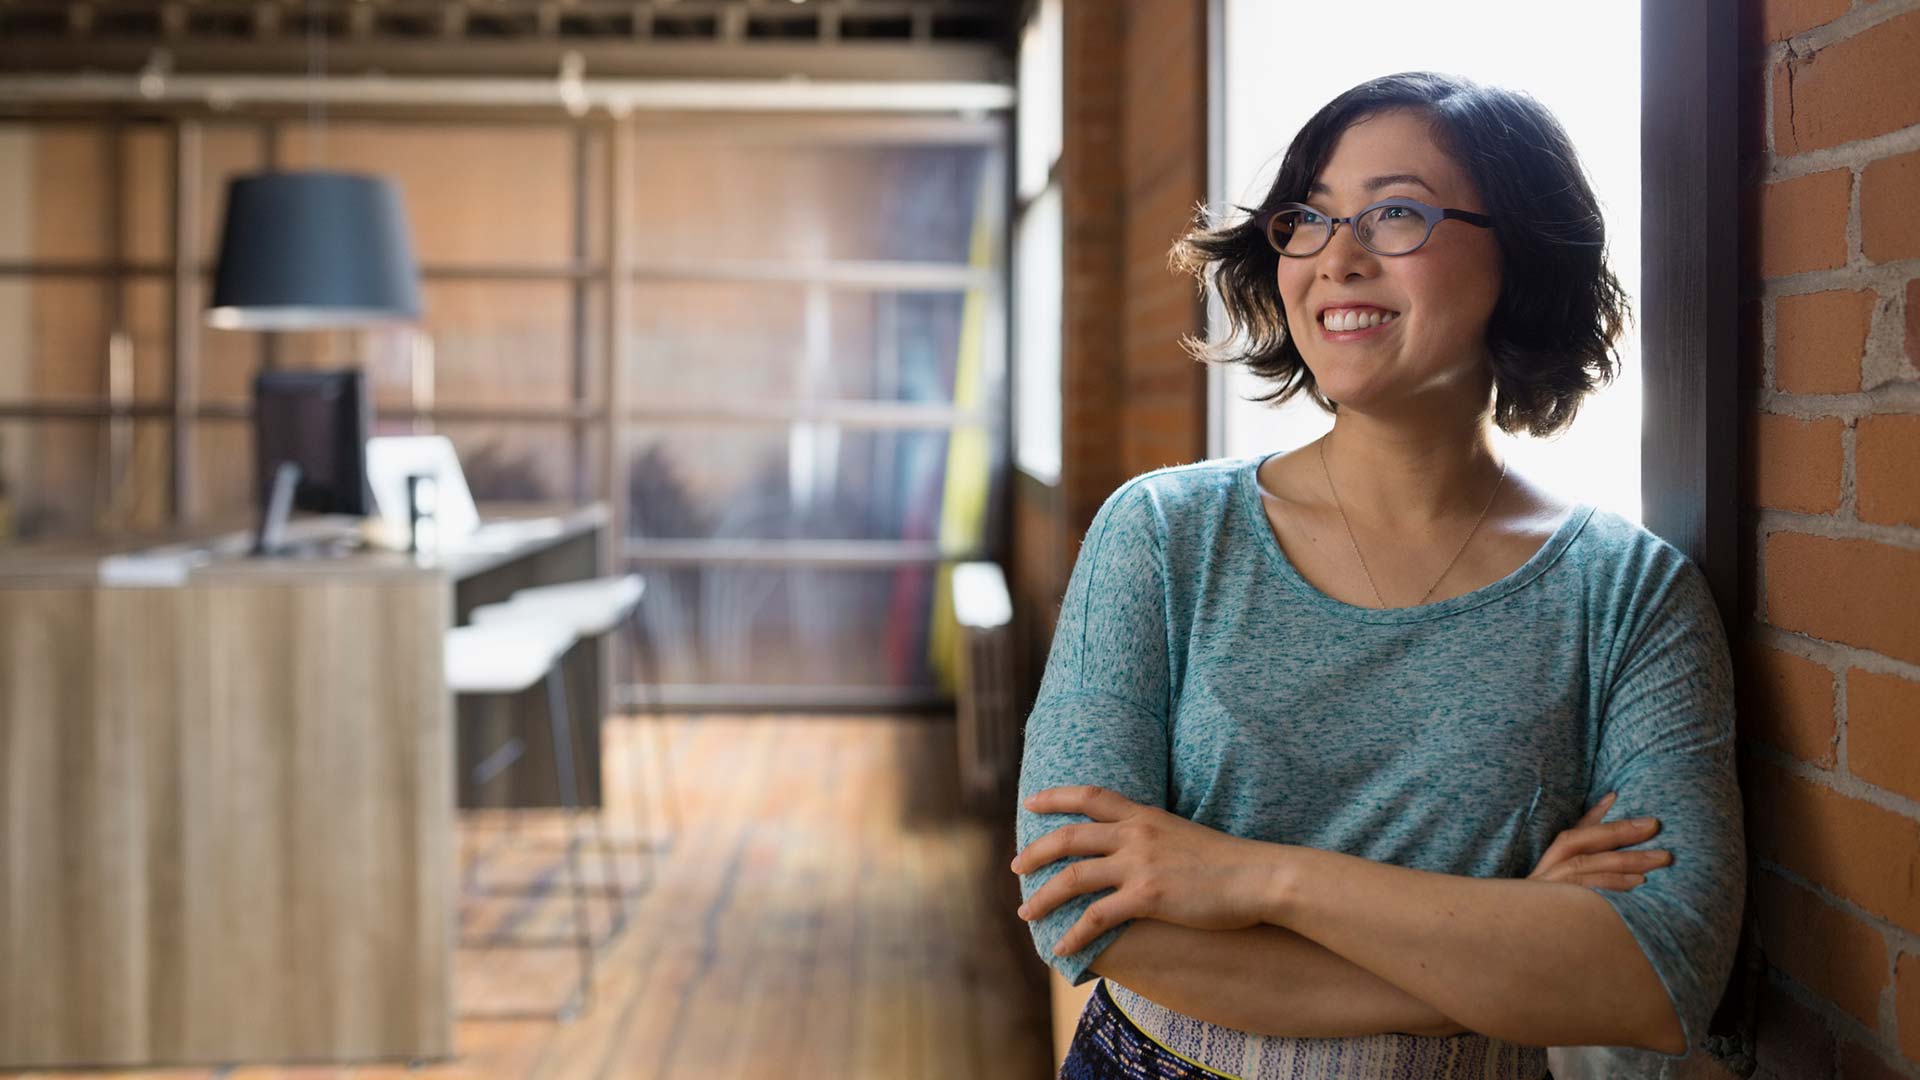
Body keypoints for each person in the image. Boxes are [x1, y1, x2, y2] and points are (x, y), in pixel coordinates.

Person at [1010, 71, 1744, 1080]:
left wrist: (1252, 879)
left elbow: (1660, 977)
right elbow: (1080, 914)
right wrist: (1499, 950)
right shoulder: (1164, 534)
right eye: (1307, 219)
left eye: (1394, 213)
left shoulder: (1627, 594)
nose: (1336, 258)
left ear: (1522, 251)